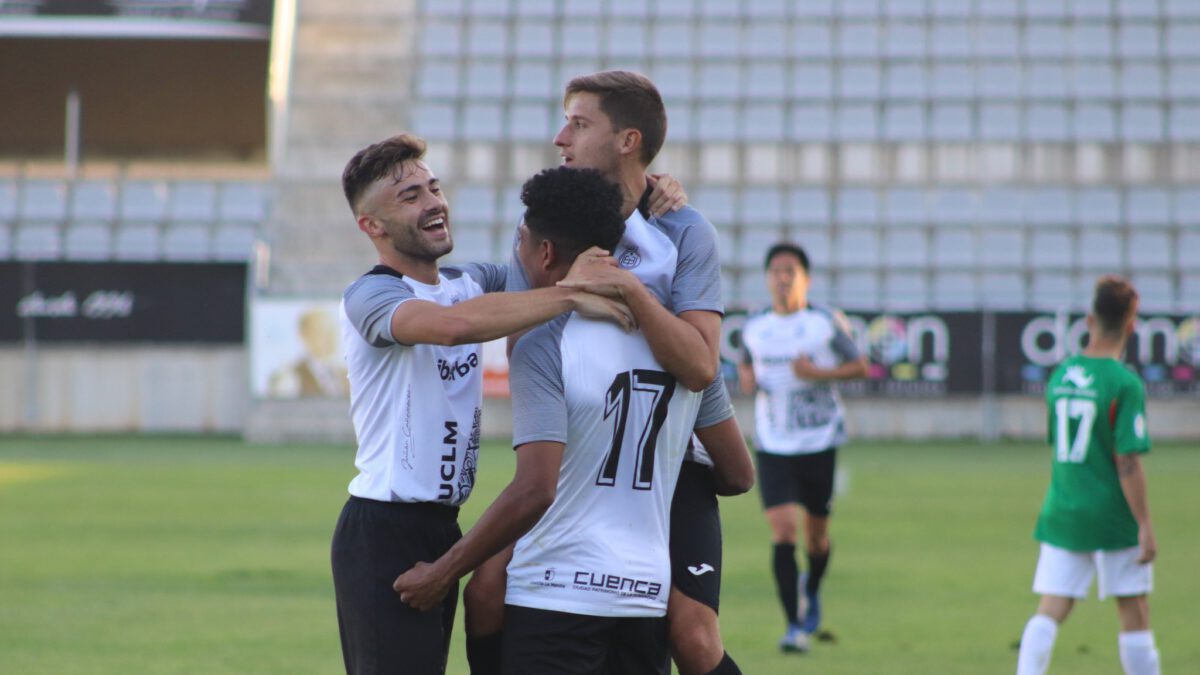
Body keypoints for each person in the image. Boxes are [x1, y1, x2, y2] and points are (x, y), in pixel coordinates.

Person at [394, 166, 748, 674]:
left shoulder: (546, 344)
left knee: (486, 589)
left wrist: (442, 572)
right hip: (644, 592)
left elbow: (537, 488)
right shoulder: (687, 351)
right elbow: (738, 474)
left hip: (557, 590)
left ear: (543, 253)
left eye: (521, 241)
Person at [461, 70, 752, 675]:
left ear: (627, 141)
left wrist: (628, 294)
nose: (560, 137)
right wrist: (570, 298)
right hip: (582, 455)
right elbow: (528, 342)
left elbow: (700, 362)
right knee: (486, 588)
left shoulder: (683, 229)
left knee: (693, 635)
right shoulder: (546, 224)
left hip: (668, 461)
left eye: (579, 122)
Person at [329, 134, 635, 675]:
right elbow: (450, 330)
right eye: (409, 196)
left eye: (434, 187)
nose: (432, 203)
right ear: (371, 226)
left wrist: (647, 193)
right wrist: (571, 294)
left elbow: (550, 255)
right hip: (383, 530)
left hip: (441, 526)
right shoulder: (370, 297)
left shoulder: (469, 282)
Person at [1016, 275, 1160, 675]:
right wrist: (1145, 524)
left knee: (1051, 608)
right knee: (1133, 609)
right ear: (1131, 326)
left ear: (1088, 320)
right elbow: (1127, 460)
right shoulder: (1123, 383)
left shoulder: (1061, 375)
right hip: (1112, 515)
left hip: (1063, 509)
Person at [737, 242, 869, 653]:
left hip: (819, 441)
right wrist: (746, 377)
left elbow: (861, 366)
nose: (782, 277)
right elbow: (745, 362)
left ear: (805, 279)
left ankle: (811, 585)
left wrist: (817, 373)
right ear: (767, 278)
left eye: (790, 270)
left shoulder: (825, 323)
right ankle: (794, 627)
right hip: (773, 443)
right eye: (776, 270)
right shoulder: (754, 327)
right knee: (783, 531)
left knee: (816, 540)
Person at [267, 306, 349, 398]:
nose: (328, 338)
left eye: (330, 331)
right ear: (305, 335)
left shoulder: (345, 374)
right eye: (321, 332)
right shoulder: (290, 377)